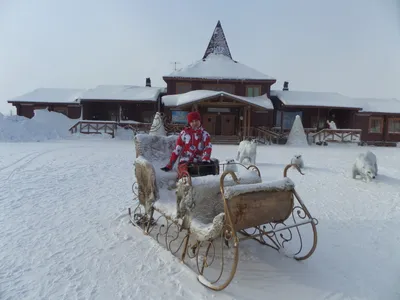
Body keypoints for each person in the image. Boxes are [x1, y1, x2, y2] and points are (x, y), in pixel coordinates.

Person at [161, 111, 212, 178]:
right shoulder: (184, 133)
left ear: (200, 121)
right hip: (185, 160)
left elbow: (208, 147)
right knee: (183, 171)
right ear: (189, 123)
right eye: (192, 121)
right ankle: (183, 183)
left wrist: (205, 159)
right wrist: (169, 165)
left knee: (206, 169)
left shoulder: (205, 135)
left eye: (196, 120)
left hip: (198, 161)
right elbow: (177, 149)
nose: (194, 123)